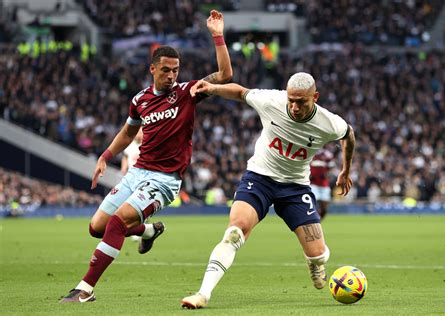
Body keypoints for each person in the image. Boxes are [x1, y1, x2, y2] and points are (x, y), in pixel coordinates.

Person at [59, 10, 233, 303]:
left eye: (176, 70)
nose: (172, 75)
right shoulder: (140, 100)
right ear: (153, 69)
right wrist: (105, 156)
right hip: (137, 173)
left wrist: (217, 35)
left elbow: (226, 75)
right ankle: (148, 231)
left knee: (115, 224)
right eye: (166, 70)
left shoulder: (188, 92)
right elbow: (128, 133)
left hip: (164, 181)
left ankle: (85, 289)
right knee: (96, 227)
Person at [181, 72, 356, 309]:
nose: (294, 107)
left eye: (301, 102)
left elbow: (349, 135)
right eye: (291, 100)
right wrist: (212, 88)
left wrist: (346, 169)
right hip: (259, 179)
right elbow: (241, 92)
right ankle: (202, 294)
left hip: (295, 187)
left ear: (315, 97)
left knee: (318, 253)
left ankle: (316, 263)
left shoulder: (329, 122)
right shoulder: (272, 100)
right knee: (235, 232)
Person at [310, 148, 335, 220]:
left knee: (324, 207)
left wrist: (328, 175)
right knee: (313, 203)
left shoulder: (327, 154)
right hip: (313, 183)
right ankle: (314, 220)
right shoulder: (310, 151)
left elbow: (331, 166)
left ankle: (319, 221)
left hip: (324, 184)